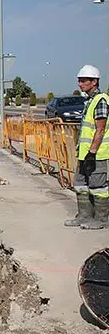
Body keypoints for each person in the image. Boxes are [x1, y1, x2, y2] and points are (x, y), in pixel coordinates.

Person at [65, 65, 109, 230]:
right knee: (80, 184)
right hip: (84, 154)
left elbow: (100, 129)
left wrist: (92, 152)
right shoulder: (89, 100)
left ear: (94, 82)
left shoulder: (101, 100)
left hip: (97, 154)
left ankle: (102, 219)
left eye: (83, 80)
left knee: (98, 187)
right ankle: (84, 216)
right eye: (79, 80)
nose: (80, 84)